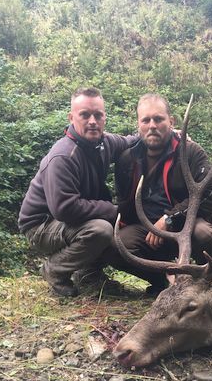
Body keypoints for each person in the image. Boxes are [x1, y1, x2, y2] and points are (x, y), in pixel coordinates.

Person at [18, 87, 136, 297]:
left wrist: (170, 133)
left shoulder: (104, 143)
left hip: (68, 219)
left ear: (104, 118)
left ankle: (88, 273)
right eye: (85, 115)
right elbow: (65, 209)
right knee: (101, 229)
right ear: (71, 118)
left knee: (107, 222)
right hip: (40, 224)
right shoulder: (63, 156)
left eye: (98, 115)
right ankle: (54, 270)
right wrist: (115, 210)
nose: (92, 121)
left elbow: (130, 141)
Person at [105, 93, 212, 293]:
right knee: (115, 245)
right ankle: (164, 282)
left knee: (204, 235)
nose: (152, 125)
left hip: (186, 227)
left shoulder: (191, 152)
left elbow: (209, 195)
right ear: (138, 124)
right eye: (146, 120)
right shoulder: (127, 160)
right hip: (148, 232)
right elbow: (125, 202)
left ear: (171, 121)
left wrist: (170, 218)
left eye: (158, 119)